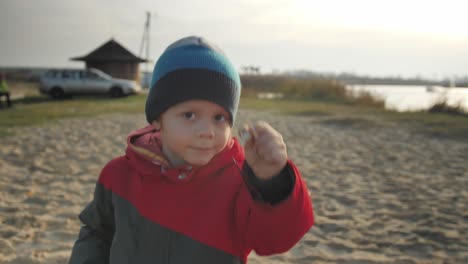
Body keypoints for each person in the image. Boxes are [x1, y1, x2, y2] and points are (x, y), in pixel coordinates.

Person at [69, 36, 314, 264]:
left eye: (219, 117)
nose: (206, 131)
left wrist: (272, 182)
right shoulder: (119, 174)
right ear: (158, 118)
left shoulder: (239, 182)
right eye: (189, 115)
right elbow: (97, 232)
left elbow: (276, 240)